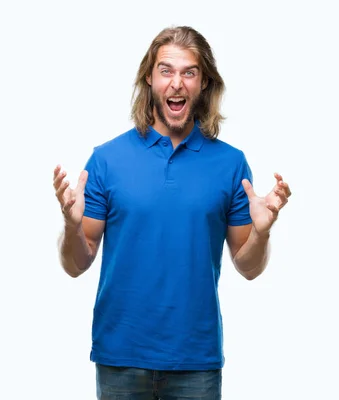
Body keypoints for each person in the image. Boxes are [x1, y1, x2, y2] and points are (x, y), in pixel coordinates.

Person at [52, 26, 291, 400]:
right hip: (120, 357)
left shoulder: (231, 163)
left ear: (204, 83)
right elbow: (75, 264)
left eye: (189, 72)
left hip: (196, 362)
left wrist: (262, 233)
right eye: (166, 70)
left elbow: (249, 268)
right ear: (150, 78)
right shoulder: (106, 160)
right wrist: (70, 226)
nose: (176, 83)